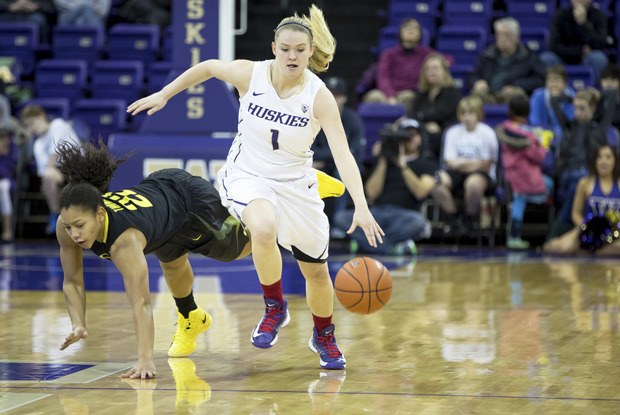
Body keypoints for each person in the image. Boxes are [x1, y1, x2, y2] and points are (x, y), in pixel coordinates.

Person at [127, 4, 384, 371]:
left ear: (311, 51)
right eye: (285, 48)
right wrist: (165, 94)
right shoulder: (252, 74)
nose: (292, 56)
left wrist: (361, 204)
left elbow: (343, 153)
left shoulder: (319, 96)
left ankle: (324, 334)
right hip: (248, 174)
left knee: (316, 272)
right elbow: (209, 66)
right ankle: (275, 307)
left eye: (299, 50)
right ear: (274, 47)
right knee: (263, 228)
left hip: (296, 183)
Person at [56, 140, 346, 379]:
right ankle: (191, 317)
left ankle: (296, 191)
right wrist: (78, 323)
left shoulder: (125, 243)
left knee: (241, 247)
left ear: (100, 214)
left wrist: (146, 359)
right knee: (171, 262)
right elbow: (71, 281)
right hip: (161, 216)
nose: (74, 234)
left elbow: (141, 303)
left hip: (188, 200)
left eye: (80, 226)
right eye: (69, 226)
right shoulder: (68, 224)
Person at [334, 118, 451, 255]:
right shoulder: (384, 160)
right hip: (377, 212)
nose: (410, 139)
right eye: (406, 135)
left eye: (414, 135)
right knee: (341, 217)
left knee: (419, 223)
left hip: (404, 215)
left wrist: (402, 165)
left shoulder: (427, 163)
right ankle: (392, 248)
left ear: (420, 138)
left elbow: (420, 192)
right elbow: (372, 193)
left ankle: (366, 243)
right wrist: (384, 159)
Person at [548, 87, 617, 238]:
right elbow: (554, 100)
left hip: (590, 174)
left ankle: (557, 233)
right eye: (575, 108)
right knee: (579, 181)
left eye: (582, 108)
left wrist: (595, 95)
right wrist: (573, 97)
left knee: (579, 184)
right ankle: (582, 231)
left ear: (593, 108)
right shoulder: (569, 126)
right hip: (569, 172)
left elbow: (612, 94)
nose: (577, 112)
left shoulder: (599, 127)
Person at [496, 94, 552, 249]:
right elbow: (538, 156)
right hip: (526, 176)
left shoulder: (505, 129)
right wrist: (543, 144)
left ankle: (513, 236)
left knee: (517, 202)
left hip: (510, 175)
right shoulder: (530, 136)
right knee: (526, 198)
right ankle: (514, 237)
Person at [311, 76, 365, 239]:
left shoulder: (352, 119)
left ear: (345, 98)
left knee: (342, 173)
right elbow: (308, 150)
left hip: (346, 167)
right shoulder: (313, 116)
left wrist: (328, 156)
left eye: (338, 95)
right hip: (322, 166)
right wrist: (338, 153)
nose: (333, 99)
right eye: (330, 94)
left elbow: (357, 153)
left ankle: (338, 223)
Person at [436, 95, 499, 234]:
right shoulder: (452, 132)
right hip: (457, 173)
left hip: (482, 174)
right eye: (463, 113)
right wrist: (472, 163)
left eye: (471, 113)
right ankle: (453, 218)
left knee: (472, 184)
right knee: (436, 181)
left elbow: (486, 165)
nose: (466, 117)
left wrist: (461, 163)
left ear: (478, 114)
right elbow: (449, 162)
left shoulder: (487, 133)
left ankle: (470, 219)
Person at [543, 144, 620, 255]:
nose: (603, 161)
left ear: (615, 161)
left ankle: (595, 250)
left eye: (608, 157)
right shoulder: (585, 183)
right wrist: (586, 227)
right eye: (599, 157)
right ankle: (592, 248)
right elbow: (575, 213)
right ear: (594, 161)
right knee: (555, 248)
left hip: (615, 234)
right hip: (588, 231)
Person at [362, 18, 451, 113]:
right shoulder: (388, 54)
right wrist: (390, 95)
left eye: (414, 28)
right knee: (373, 97)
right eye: (407, 27)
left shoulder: (426, 53)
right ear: (400, 32)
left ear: (420, 33)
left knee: (408, 97)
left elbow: (446, 59)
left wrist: (445, 62)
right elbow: (383, 77)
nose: (410, 30)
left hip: (411, 92)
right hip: (388, 93)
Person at [20, 104, 81, 235]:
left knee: (49, 174)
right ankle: (57, 216)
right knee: (48, 177)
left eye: (32, 123)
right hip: (59, 172)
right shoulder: (38, 144)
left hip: (77, 167)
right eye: (28, 126)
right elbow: (43, 172)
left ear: (41, 116)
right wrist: (46, 185)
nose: (31, 129)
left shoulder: (58, 125)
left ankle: (61, 217)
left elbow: (55, 152)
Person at [468, 17, 545, 104]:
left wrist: (517, 86)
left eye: (506, 35)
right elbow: (473, 75)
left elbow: (540, 79)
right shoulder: (487, 55)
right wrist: (477, 82)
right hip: (488, 96)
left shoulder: (528, 56)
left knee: (516, 96)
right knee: (475, 96)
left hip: (512, 98)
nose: (502, 39)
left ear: (516, 37)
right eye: (499, 34)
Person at [540, 0, 609, 83]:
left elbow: (600, 44)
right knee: (546, 58)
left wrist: (583, 24)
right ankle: (550, 92)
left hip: (587, 58)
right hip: (563, 57)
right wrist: (580, 51)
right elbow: (553, 46)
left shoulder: (598, 16)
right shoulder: (560, 15)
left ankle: (595, 92)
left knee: (599, 58)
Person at [410, 52, 461, 161]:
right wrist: (425, 125)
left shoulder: (453, 92)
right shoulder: (421, 94)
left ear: (444, 71)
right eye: (428, 69)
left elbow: (441, 113)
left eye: (435, 68)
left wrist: (421, 117)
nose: (431, 71)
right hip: (423, 133)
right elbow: (412, 115)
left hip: (446, 133)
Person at [529, 65, 575, 142]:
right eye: (550, 81)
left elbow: (570, 123)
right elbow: (535, 121)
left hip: (566, 136)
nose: (553, 84)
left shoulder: (571, 97)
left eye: (557, 80)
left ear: (565, 83)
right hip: (542, 134)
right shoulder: (537, 96)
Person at [0, 128, 16, 242]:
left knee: (2, 189)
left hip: (6, 181)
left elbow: (6, 174)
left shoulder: (9, 153)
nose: (6, 142)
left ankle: (7, 230)